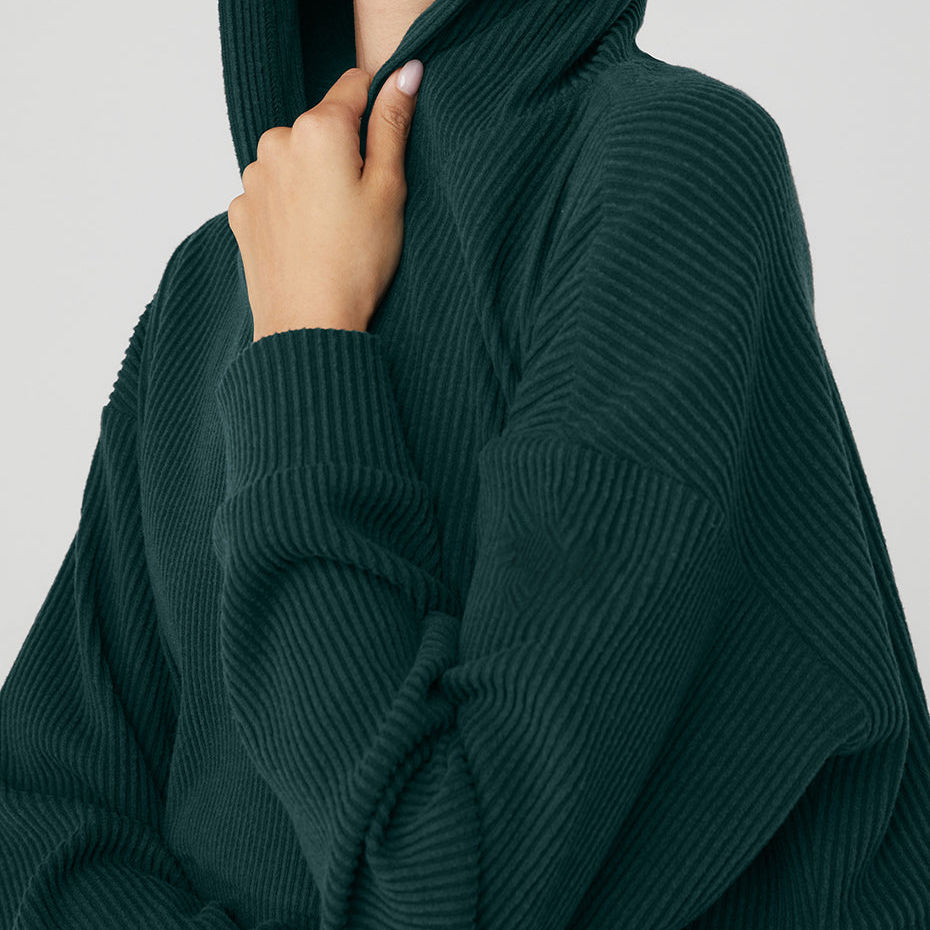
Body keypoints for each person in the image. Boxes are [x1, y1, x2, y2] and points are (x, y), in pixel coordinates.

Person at [2, 0, 929, 927]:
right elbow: (30, 824)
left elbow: (440, 890)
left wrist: (307, 346)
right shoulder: (217, 278)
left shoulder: (671, 168)